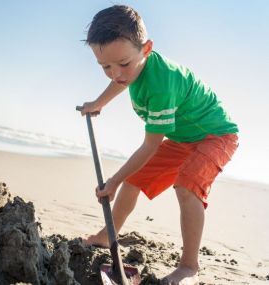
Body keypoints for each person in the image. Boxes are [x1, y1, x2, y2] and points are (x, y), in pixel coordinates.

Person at [78, 5, 239, 285]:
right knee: (134, 181)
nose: (115, 73)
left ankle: (189, 266)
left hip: (216, 136)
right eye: (105, 66)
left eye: (123, 64)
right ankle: (107, 236)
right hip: (183, 138)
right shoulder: (130, 69)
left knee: (187, 185)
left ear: (147, 49)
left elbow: (151, 145)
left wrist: (113, 180)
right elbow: (122, 80)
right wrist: (98, 103)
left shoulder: (162, 83)